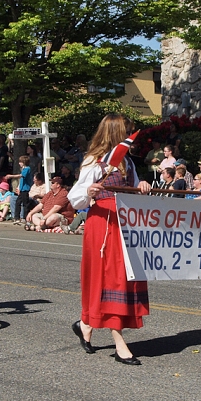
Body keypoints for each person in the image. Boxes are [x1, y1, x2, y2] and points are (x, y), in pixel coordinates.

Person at [67, 114, 152, 365]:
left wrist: (142, 188)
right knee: (107, 278)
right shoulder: (94, 162)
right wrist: (89, 191)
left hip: (123, 223)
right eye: (126, 133)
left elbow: (134, 192)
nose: (130, 138)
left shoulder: (127, 163)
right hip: (102, 224)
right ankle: (119, 343)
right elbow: (76, 198)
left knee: (122, 279)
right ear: (115, 134)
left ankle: (85, 322)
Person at [4, 155, 31, 224]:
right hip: (22, 189)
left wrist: (11, 176)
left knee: (25, 204)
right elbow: (21, 180)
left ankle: (24, 217)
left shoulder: (27, 169)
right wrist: (19, 187)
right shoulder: (23, 169)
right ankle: (17, 217)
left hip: (25, 189)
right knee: (18, 203)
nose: (19, 163)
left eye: (20, 162)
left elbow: (21, 176)